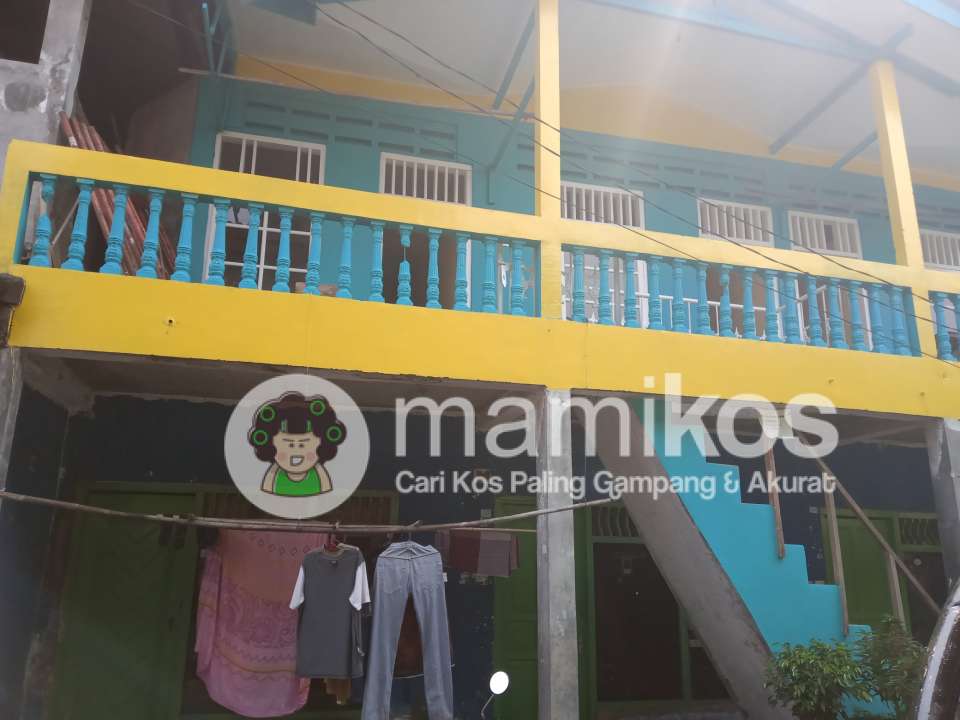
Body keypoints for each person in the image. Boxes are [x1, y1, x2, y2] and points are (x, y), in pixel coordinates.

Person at [247, 391, 346, 497]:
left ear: (322, 447)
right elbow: (266, 493)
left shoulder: (319, 474)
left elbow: (326, 492)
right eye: (289, 444)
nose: (296, 450)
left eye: (303, 444)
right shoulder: (273, 474)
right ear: (270, 447)